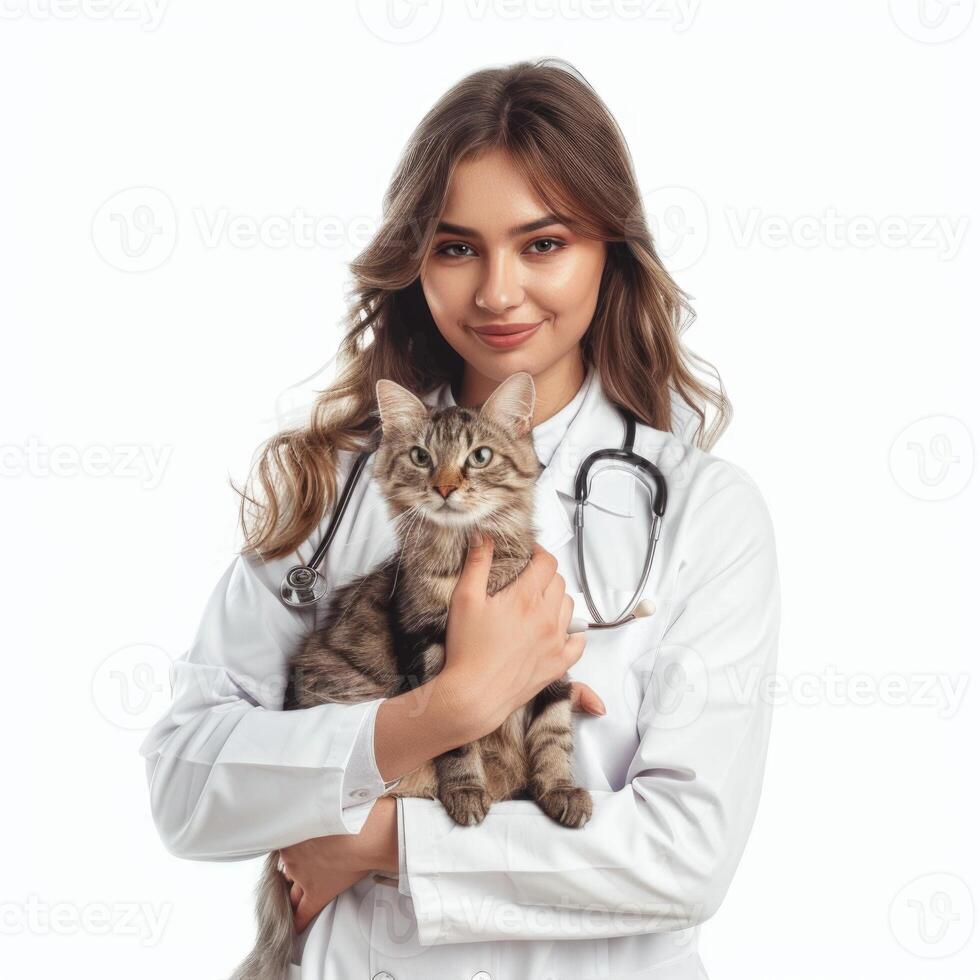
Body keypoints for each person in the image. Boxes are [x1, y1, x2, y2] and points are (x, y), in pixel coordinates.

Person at [139, 58, 780, 980]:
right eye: (455, 247)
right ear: (413, 260)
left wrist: (379, 840)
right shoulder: (339, 488)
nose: (497, 292)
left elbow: (685, 855)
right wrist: (444, 713)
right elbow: (188, 788)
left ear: (611, 249)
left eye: (544, 243)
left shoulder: (705, 516)